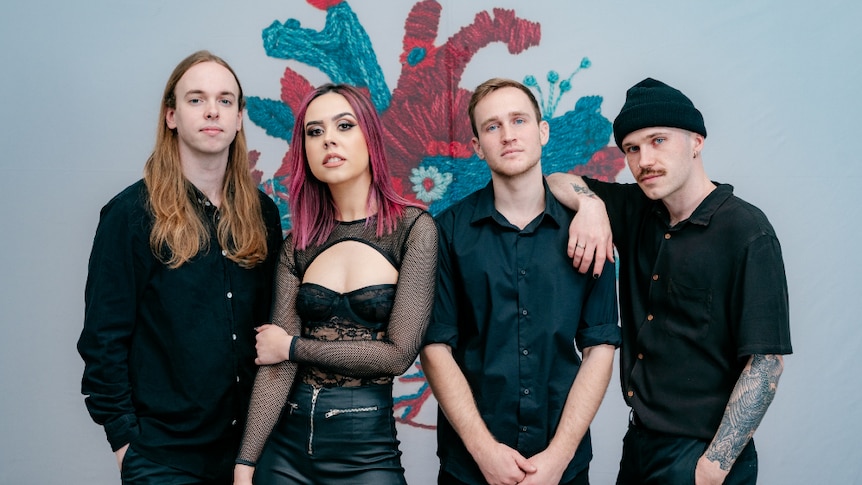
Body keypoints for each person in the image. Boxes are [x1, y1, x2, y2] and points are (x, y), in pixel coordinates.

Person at [547, 77, 793, 484]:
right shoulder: (637, 209)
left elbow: (766, 362)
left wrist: (714, 466)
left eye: (658, 141)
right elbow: (554, 181)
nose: (644, 160)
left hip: (705, 454)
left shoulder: (747, 231)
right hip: (640, 444)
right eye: (632, 148)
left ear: (696, 141)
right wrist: (590, 204)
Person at [77, 50, 283, 484]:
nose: (213, 110)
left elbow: (273, 326)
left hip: (252, 456)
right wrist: (125, 445)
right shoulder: (130, 215)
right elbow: (103, 340)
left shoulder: (262, 213)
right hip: (164, 460)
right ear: (171, 115)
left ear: (240, 117)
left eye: (226, 100)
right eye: (196, 99)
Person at [232, 83, 438, 485]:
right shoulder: (299, 245)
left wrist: (292, 346)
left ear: (369, 137)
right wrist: (245, 465)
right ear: (305, 151)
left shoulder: (413, 230)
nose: (328, 139)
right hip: (286, 450)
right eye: (314, 131)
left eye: (344, 125)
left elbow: (396, 356)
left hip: (366, 451)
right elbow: (276, 369)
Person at [421, 78, 621, 485]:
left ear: (543, 131)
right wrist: (484, 451)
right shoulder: (446, 232)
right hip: (471, 469)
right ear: (477, 145)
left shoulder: (591, 231)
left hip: (562, 467)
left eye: (519, 120)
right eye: (492, 126)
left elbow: (600, 346)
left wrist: (557, 459)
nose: (508, 135)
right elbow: (434, 347)